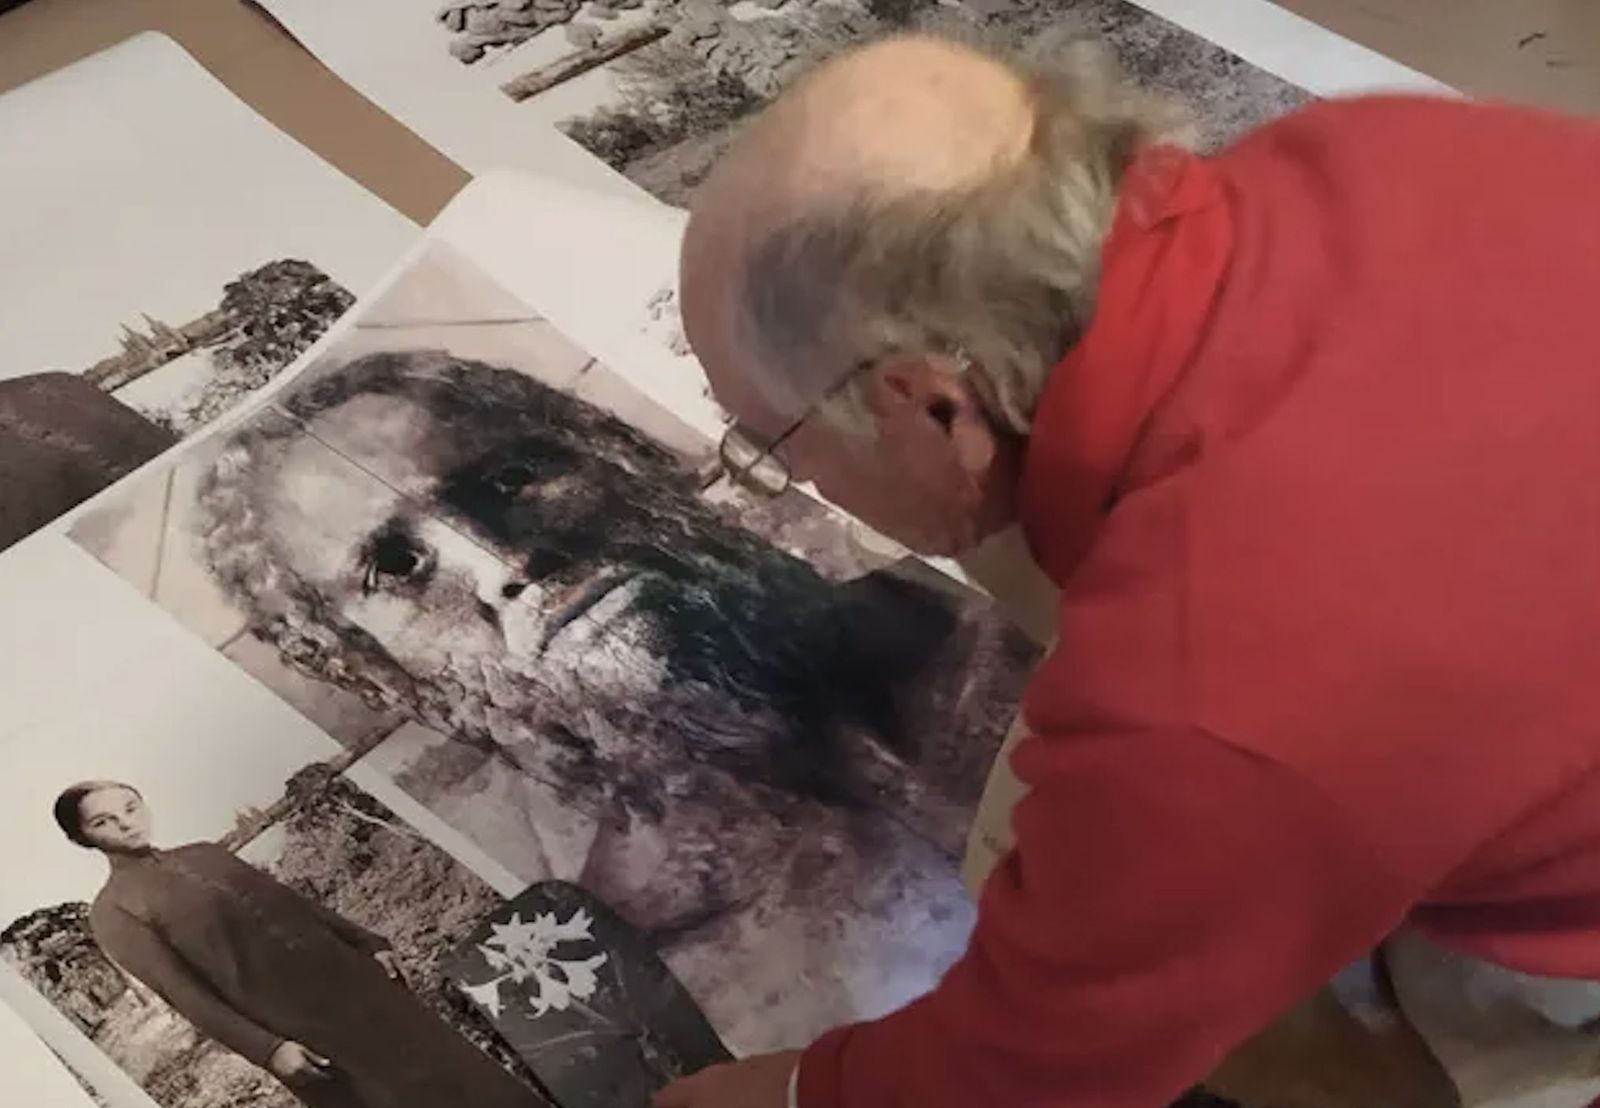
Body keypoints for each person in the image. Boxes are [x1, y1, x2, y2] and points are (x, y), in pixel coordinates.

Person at [660, 31, 1600, 1108]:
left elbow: (1033, 1070)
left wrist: (798, 1096)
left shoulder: (1213, 692)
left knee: (1448, 1039)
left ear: (929, 404)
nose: (790, 483)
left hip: (1562, 913)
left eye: (771, 445)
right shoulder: (1366, 145)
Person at [194, 346, 1036, 1052]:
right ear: (379, 666)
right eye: (399, 566)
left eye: (510, 478)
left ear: (617, 452)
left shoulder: (1012, 627)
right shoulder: (632, 956)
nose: (504, 565)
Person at [55, 779, 543, 1108]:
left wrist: (367, 941)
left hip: (362, 989)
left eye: (129, 807)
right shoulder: (113, 912)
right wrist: (268, 1050)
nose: (125, 822)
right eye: (103, 821)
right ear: (83, 838)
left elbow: (295, 903)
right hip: (305, 1034)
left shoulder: (205, 854)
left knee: (475, 1084)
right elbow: (184, 995)